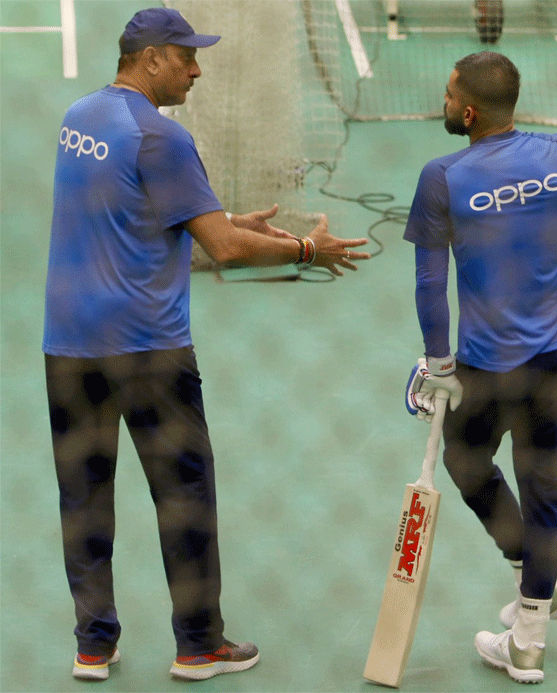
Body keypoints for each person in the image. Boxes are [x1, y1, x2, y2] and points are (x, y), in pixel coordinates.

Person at [43, 7, 370, 682]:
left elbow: (129, 225)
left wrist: (212, 221)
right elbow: (221, 247)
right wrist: (305, 246)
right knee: (184, 494)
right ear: (153, 57)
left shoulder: (80, 119)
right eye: (188, 56)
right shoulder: (161, 137)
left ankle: (92, 644)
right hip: (148, 351)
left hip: (70, 345)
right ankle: (198, 645)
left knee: (84, 495)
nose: (197, 70)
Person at [403, 51, 557, 684]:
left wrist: (437, 363)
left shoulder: (443, 176)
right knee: (545, 491)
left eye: (448, 90)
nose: (443, 97)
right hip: (556, 362)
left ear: (467, 109)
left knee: (466, 464)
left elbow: (432, 283)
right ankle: (534, 616)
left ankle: (527, 608)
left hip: (486, 371)